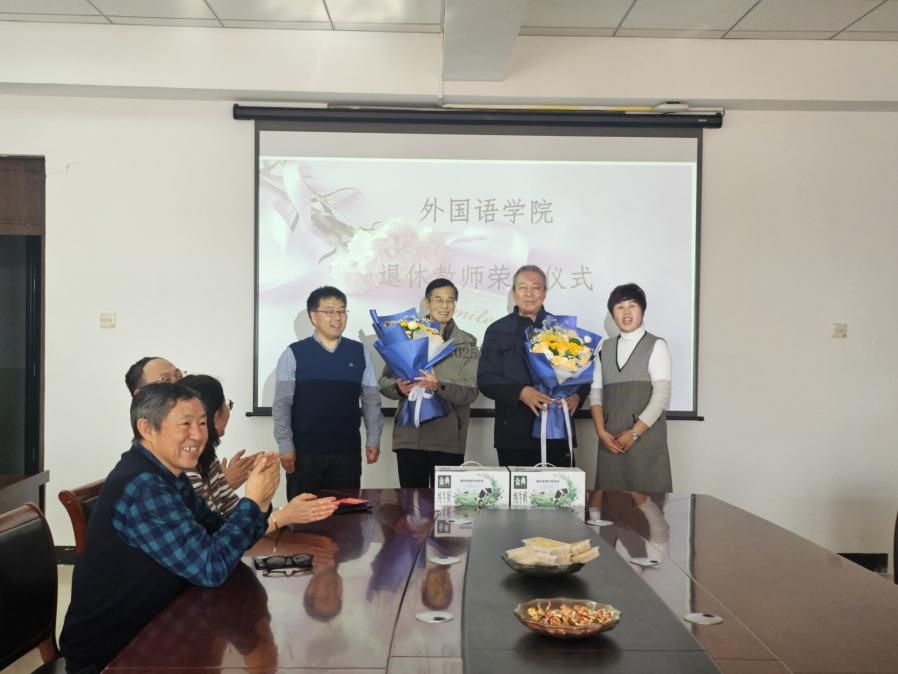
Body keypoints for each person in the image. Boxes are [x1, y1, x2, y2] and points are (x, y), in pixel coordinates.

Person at [59, 383, 280, 672]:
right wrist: (251, 502)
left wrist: (260, 502)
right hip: (116, 654)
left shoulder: (168, 475)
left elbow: (219, 532)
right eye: (185, 424)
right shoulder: (144, 487)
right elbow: (210, 568)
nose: (198, 435)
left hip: (162, 625)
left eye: (203, 423)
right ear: (147, 428)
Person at [181, 373, 337, 530]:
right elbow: (219, 533)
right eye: (226, 404)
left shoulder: (208, 458)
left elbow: (233, 512)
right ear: (215, 417)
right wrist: (284, 514)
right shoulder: (183, 469)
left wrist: (268, 499)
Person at [273, 286, 383, 498]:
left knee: (345, 513)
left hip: (347, 453)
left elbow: (371, 400)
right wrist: (285, 444)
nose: (337, 318)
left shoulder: (359, 352)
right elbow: (282, 404)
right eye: (330, 312)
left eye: (342, 311)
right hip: (304, 454)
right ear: (313, 316)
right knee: (303, 513)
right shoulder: (293, 353)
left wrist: (373, 439)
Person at [477, 265, 588, 467]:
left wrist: (577, 397)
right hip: (514, 435)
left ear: (545, 292)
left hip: (556, 431)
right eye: (522, 287)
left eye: (536, 288)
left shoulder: (562, 329)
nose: (529, 294)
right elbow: (486, 379)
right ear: (513, 292)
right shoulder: (497, 330)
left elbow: (582, 374)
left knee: (561, 487)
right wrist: (521, 392)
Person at [378, 278, 480, 487]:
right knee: (410, 504)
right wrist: (399, 388)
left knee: (446, 504)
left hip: (448, 440)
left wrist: (438, 385)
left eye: (450, 300)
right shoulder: (407, 336)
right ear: (427, 303)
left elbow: (471, 391)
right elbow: (384, 382)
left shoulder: (467, 344)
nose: (445, 306)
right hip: (409, 438)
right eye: (438, 300)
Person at [126, 357, 255, 493]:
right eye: (166, 380)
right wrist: (227, 485)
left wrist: (221, 486)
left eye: (179, 376)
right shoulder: (152, 472)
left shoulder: (192, 452)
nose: (179, 385)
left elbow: (207, 506)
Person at [590, 283, 673, 492]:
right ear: (612, 314)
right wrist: (601, 432)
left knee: (649, 506)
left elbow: (661, 396)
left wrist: (634, 433)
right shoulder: (604, 348)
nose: (626, 313)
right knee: (610, 506)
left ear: (642, 310)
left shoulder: (656, 345)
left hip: (646, 440)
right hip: (610, 441)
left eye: (632, 306)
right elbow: (596, 395)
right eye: (620, 307)